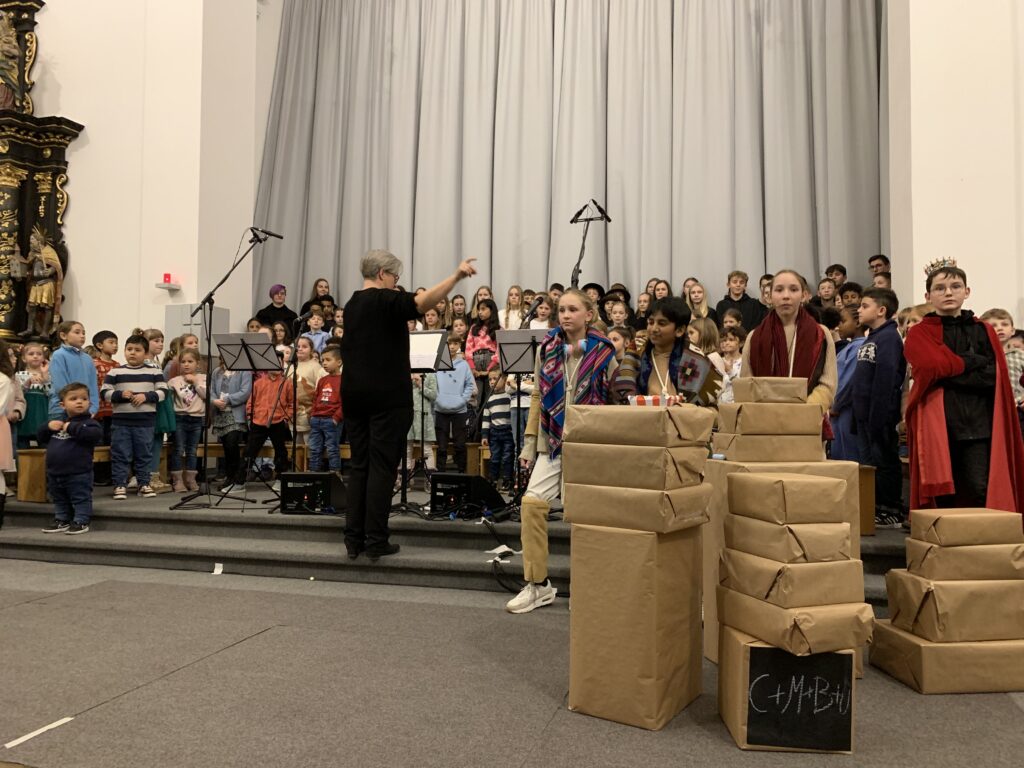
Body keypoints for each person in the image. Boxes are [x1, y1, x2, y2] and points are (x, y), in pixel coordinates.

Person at [341, 249, 477, 560]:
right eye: (395, 276)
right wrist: (456, 276)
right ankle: (376, 540)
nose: (395, 281)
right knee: (382, 467)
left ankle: (353, 539)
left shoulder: (351, 304)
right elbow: (422, 302)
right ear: (382, 274)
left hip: (353, 395)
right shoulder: (386, 299)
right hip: (386, 396)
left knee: (360, 466)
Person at [509, 289, 618, 614]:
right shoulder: (548, 348)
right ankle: (537, 585)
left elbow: (616, 398)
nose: (566, 315)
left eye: (573, 309)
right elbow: (538, 396)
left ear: (589, 314)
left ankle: (588, 587)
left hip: (589, 445)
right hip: (551, 442)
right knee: (531, 504)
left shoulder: (603, 351)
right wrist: (530, 444)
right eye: (562, 310)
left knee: (584, 517)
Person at [904, 260, 1024, 512]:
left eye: (956, 286)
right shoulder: (920, 333)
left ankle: (979, 538)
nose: (948, 292)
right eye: (940, 288)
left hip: (979, 422)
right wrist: (971, 362)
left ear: (966, 291)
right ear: (928, 296)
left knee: (979, 489)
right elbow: (929, 369)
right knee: (944, 494)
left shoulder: (983, 330)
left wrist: (948, 372)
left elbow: (993, 376)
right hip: (939, 421)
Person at [741, 269, 838, 410]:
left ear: (804, 295)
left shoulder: (821, 334)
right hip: (765, 416)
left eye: (793, 289)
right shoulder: (754, 337)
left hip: (808, 415)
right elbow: (746, 384)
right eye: (779, 290)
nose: (786, 296)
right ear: (769, 297)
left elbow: (828, 384)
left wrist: (803, 410)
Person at [852, 288, 907, 526]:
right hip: (864, 415)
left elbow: (885, 380)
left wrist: (879, 417)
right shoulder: (872, 337)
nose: (859, 310)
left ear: (881, 310)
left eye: (865, 306)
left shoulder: (889, 338)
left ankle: (891, 509)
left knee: (884, 462)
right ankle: (874, 507)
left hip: (880, 416)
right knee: (870, 464)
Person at [613, 297, 722, 405]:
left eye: (662, 323)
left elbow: (709, 395)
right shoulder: (637, 350)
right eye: (651, 322)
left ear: (680, 330)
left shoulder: (694, 358)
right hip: (642, 414)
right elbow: (623, 388)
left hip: (683, 415)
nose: (653, 329)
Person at [101, 334, 168, 500]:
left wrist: (146, 396)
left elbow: (163, 392)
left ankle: (144, 483)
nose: (132, 352)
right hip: (121, 422)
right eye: (129, 349)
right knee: (120, 454)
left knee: (144, 454)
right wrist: (120, 394)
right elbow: (105, 392)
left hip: (145, 422)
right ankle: (120, 484)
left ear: (145, 353)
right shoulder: (115, 372)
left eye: (137, 350)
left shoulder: (154, 372)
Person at [38, 383, 102, 534]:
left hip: (79, 472)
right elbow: (41, 437)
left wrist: (71, 427)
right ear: (62, 405)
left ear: (89, 403)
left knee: (80, 498)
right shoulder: (58, 424)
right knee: (59, 498)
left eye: (84, 399)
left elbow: (93, 436)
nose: (79, 402)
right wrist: (47, 427)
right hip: (55, 472)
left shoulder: (90, 423)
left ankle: (81, 521)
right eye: (73, 399)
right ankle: (62, 520)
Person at [242, 351, 294, 486]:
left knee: (280, 451)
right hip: (258, 421)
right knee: (249, 450)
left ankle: (280, 480)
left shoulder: (286, 383)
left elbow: (292, 403)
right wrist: (250, 415)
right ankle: (239, 481)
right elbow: (251, 401)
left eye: (279, 362)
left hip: (278, 421)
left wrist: (286, 418)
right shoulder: (258, 383)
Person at [167, 348, 207, 492]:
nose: (186, 364)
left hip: (197, 419)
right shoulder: (174, 381)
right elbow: (169, 401)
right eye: (183, 362)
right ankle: (177, 480)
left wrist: (195, 382)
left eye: (190, 361)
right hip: (180, 418)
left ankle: (191, 479)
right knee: (178, 449)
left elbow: (206, 396)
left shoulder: (203, 378)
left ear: (197, 363)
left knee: (192, 450)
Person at [210, 354, 251, 491]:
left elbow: (245, 392)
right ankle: (229, 476)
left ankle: (235, 478)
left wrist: (227, 399)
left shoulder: (244, 371)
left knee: (231, 444)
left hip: (235, 415)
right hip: (221, 414)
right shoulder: (217, 371)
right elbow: (211, 390)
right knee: (226, 448)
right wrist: (215, 401)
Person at [434, 338, 476, 473]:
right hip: (440, 409)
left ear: (459, 345)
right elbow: (432, 383)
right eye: (449, 344)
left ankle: (461, 472)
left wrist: (462, 400)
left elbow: (469, 385)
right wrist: (438, 399)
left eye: (455, 344)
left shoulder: (463, 365)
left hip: (460, 410)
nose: (452, 347)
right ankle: (440, 472)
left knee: (460, 444)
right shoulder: (437, 364)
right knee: (441, 445)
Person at [981, 308, 1024, 434]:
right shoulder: (981, 358)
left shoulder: (1020, 355)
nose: (1000, 328)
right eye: (993, 326)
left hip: (1017, 408)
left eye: (1004, 324)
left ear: (1013, 330)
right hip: (991, 410)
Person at [48, 321, 99, 419]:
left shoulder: (88, 358)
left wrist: (93, 407)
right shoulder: (59, 355)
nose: (82, 336)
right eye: (77, 332)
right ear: (63, 336)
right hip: (62, 410)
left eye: (83, 333)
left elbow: (93, 385)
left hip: (84, 409)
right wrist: (72, 402)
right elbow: (60, 384)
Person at [308, 346, 343, 473]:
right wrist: (313, 414)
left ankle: (335, 474)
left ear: (339, 362)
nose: (324, 363)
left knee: (332, 448)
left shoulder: (344, 380)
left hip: (331, 419)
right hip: (316, 418)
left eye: (328, 360)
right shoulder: (323, 380)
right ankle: (314, 473)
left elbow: (345, 402)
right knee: (314, 448)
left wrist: (336, 418)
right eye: (322, 360)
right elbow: (316, 398)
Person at [481, 370, 513, 492]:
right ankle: (493, 480)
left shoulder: (509, 396)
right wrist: (484, 435)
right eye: (490, 379)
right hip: (494, 433)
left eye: (495, 379)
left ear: (504, 380)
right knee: (494, 457)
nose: (492, 382)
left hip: (508, 431)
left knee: (507, 457)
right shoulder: (489, 399)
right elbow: (486, 419)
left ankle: (506, 480)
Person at [15, 342, 49, 449]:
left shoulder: (48, 375)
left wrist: (45, 379)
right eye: (31, 354)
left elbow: (51, 393)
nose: (35, 356)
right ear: (24, 358)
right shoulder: (19, 375)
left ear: (43, 358)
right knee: (22, 445)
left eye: (39, 354)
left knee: (45, 444)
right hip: (26, 416)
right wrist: (27, 383)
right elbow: (17, 395)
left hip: (42, 414)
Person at [717, 326, 746, 404]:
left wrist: (730, 371)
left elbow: (742, 385)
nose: (726, 343)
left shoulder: (745, 361)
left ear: (741, 343)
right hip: (719, 404)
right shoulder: (718, 361)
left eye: (731, 340)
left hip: (737, 404)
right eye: (724, 340)